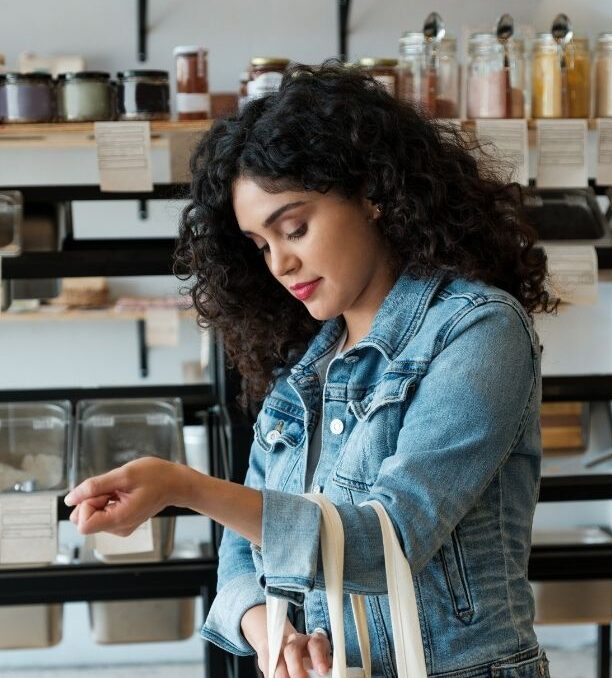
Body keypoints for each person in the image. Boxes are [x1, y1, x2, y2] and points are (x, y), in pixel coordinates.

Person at [65, 61, 556, 678]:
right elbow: (243, 557)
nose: (281, 262)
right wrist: (278, 637)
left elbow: (386, 543)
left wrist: (183, 487)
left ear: (373, 194)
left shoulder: (480, 330)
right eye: (262, 246)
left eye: (294, 227)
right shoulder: (305, 372)